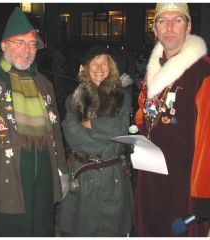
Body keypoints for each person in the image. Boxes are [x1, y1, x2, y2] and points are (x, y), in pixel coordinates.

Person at [0, 7, 69, 237]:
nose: (27, 50)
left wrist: (62, 172)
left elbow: (56, 131)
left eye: (32, 44)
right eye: (19, 42)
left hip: (43, 188)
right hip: (4, 191)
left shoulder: (44, 84)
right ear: (3, 45)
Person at [133, 2, 210, 237]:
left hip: (184, 188)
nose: (169, 27)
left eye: (177, 20)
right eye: (162, 21)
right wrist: (138, 132)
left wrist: (203, 200)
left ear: (188, 28)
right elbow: (144, 112)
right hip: (150, 180)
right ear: (154, 29)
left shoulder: (202, 74)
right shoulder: (152, 71)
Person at [57, 45, 134, 237]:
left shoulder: (123, 97)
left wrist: (90, 123)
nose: (99, 68)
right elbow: (71, 134)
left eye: (104, 63)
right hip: (83, 176)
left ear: (111, 67)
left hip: (112, 177)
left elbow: (121, 127)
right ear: (85, 67)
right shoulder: (74, 99)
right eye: (94, 63)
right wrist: (106, 144)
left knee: (111, 231)